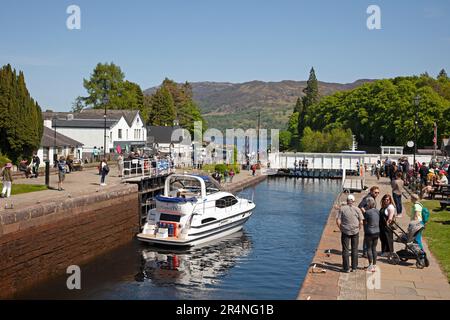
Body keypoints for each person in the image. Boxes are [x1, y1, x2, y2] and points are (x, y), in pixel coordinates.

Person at [336, 194, 364, 273]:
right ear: (354, 201)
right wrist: (359, 228)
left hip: (345, 231)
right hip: (355, 231)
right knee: (354, 249)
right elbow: (361, 221)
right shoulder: (357, 209)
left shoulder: (342, 209)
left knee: (345, 249)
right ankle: (354, 267)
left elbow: (338, 220)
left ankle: (346, 268)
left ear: (347, 200)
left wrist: (340, 228)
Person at [358, 186, 380, 257]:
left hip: (370, 218)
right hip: (367, 219)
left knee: (368, 235)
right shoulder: (368, 198)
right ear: (371, 191)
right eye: (375, 192)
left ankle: (367, 251)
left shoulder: (372, 197)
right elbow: (360, 206)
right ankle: (365, 252)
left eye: (378, 193)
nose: (377, 194)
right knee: (367, 235)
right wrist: (366, 213)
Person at [362, 197, 380, 272]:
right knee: (374, 248)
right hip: (377, 232)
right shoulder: (377, 211)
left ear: (369, 204)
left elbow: (365, 222)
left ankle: (370, 265)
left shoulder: (367, 212)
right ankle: (374, 265)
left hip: (369, 232)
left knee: (369, 248)